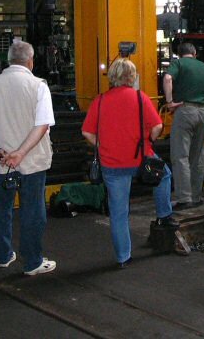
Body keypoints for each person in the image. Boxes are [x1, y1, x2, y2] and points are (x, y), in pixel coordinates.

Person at [82, 58, 178, 269]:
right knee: (165, 175)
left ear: (112, 76)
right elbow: (157, 126)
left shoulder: (100, 100)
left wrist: (102, 144)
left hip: (112, 164)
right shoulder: (139, 97)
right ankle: (163, 214)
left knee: (119, 213)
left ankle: (123, 257)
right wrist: (147, 142)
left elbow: (87, 131)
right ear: (132, 77)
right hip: (139, 158)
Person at [0, 40, 56, 275]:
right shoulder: (38, 86)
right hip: (31, 163)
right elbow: (42, 125)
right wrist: (20, 153)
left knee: (2, 209)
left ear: (8, 60)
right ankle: (32, 261)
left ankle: (3, 255)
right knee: (33, 211)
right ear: (30, 61)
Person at [163, 42, 204, 210]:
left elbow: (168, 78)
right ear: (195, 53)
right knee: (197, 156)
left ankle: (184, 198)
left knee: (180, 155)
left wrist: (169, 102)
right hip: (203, 113)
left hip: (185, 111)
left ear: (179, 54)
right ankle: (196, 196)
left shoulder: (178, 64)